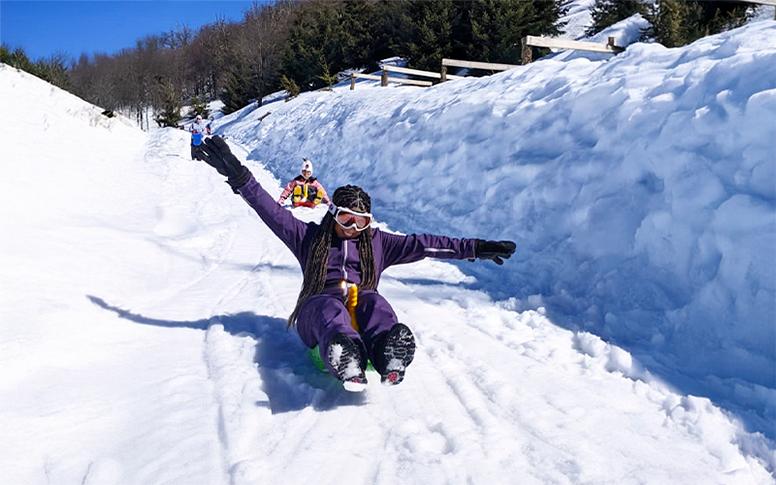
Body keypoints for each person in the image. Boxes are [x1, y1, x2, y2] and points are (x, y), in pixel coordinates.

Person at [195, 136, 516, 392]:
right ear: (333, 215)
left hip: (362, 311)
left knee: (373, 300)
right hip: (318, 315)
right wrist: (240, 177)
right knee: (328, 308)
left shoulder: (378, 243)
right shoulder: (308, 237)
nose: (353, 228)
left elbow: (425, 245)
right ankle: (343, 351)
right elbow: (270, 210)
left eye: (361, 222)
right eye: (346, 219)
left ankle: (387, 350)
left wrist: (474, 248)